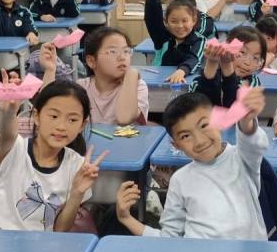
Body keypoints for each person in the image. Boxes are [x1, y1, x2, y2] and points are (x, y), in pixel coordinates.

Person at [114, 89, 268, 240]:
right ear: (176, 145)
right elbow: (169, 237)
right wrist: (126, 218)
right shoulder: (180, 180)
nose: (199, 141)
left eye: (204, 125)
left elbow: (252, 142)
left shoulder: (242, 158)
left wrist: (246, 121)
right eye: (186, 136)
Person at [0, 76, 107, 231]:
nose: (61, 126)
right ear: (36, 116)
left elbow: (60, 230)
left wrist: (76, 194)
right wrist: (9, 113)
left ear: (82, 125)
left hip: (41, 244)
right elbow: (7, 134)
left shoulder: (77, 165)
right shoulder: (15, 149)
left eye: (72, 120)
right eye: (54, 116)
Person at [41, 27, 149, 125]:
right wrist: (50, 70)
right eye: (113, 52)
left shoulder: (137, 86)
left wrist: (131, 74)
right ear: (91, 61)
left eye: (126, 51)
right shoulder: (82, 87)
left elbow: (124, 118)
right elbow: (50, 109)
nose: (122, 57)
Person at [144, 0, 205, 83]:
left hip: (186, 85)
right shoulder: (162, 37)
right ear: (166, 21)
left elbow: (194, 59)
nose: (180, 26)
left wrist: (182, 71)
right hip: (160, 83)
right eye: (174, 21)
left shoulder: (199, 40)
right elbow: (152, 17)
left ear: (194, 20)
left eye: (185, 20)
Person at [189, 26, 266, 105]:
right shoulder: (201, 80)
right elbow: (199, 105)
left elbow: (236, 107)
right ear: (227, 47)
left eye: (255, 58)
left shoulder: (253, 83)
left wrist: (227, 67)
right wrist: (211, 65)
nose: (247, 63)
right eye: (242, 52)